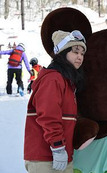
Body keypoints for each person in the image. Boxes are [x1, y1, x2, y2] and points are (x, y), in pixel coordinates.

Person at [24, 30, 87, 173]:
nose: (80, 57)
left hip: (60, 156)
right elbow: (48, 116)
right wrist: (58, 147)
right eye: (75, 51)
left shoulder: (67, 82)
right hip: (45, 158)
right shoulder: (53, 79)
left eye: (82, 53)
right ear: (63, 53)